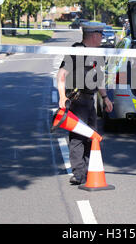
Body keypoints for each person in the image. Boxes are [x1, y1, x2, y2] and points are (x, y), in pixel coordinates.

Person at [56, 22, 113, 185]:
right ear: (94, 35)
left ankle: (89, 170)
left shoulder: (99, 54)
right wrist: (62, 96)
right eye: (100, 35)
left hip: (90, 100)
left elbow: (99, 79)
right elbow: (61, 74)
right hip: (77, 100)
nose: (102, 38)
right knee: (78, 137)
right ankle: (79, 173)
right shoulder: (76, 51)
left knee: (92, 136)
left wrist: (105, 98)